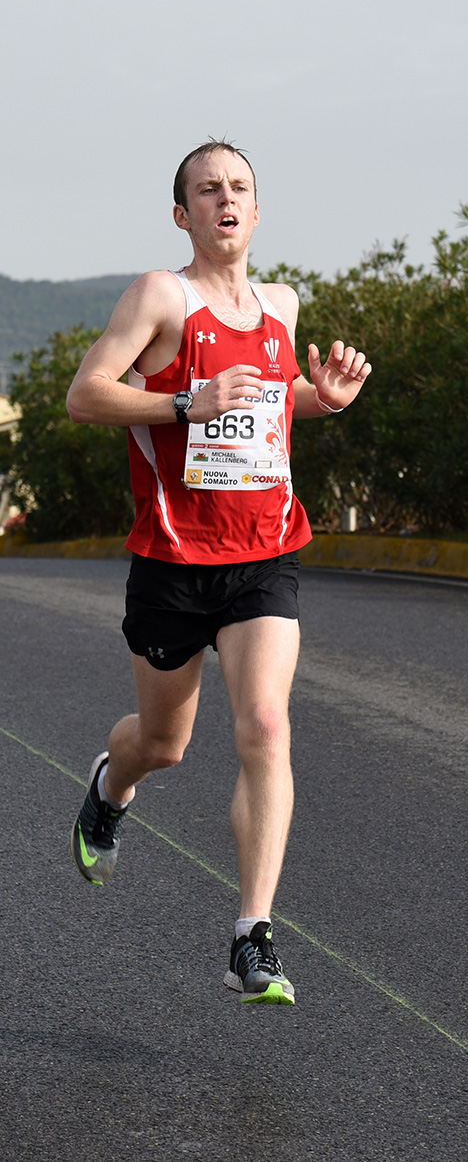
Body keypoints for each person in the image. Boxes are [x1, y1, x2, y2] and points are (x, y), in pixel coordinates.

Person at [67, 139, 371, 1004]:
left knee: (267, 727)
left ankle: (253, 935)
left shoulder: (282, 303)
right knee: (165, 744)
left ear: (258, 210)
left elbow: (269, 406)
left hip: (264, 552)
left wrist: (325, 398)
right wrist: (178, 402)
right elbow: (86, 394)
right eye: (208, 190)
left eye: (239, 187)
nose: (225, 200)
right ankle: (109, 785)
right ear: (183, 214)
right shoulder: (161, 296)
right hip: (171, 563)